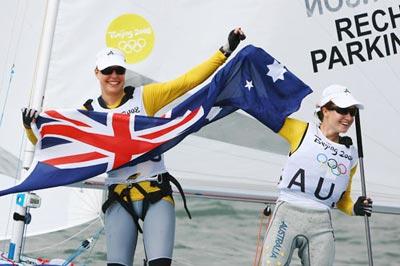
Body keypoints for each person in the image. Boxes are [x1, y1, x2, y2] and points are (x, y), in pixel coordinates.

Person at [22, 28, 246, 266]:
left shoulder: (145, 97)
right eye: (108, 70)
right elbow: (55, 151)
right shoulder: (88, 114)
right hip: (119, 197)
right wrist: (30, 127)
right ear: (97, 73)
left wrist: (226, 51)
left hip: (156, 193)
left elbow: (187, 81)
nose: (114, 75)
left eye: (119, 70)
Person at [260, 84, 373, 266]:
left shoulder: (351, 155)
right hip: (286, 217)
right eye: (343, 110)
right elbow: (264, 112)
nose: (349, 118)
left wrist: (355, 209)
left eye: (353, 113)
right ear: (325, 110)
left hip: (321, 226)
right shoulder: (301, 130)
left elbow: (343, 200)